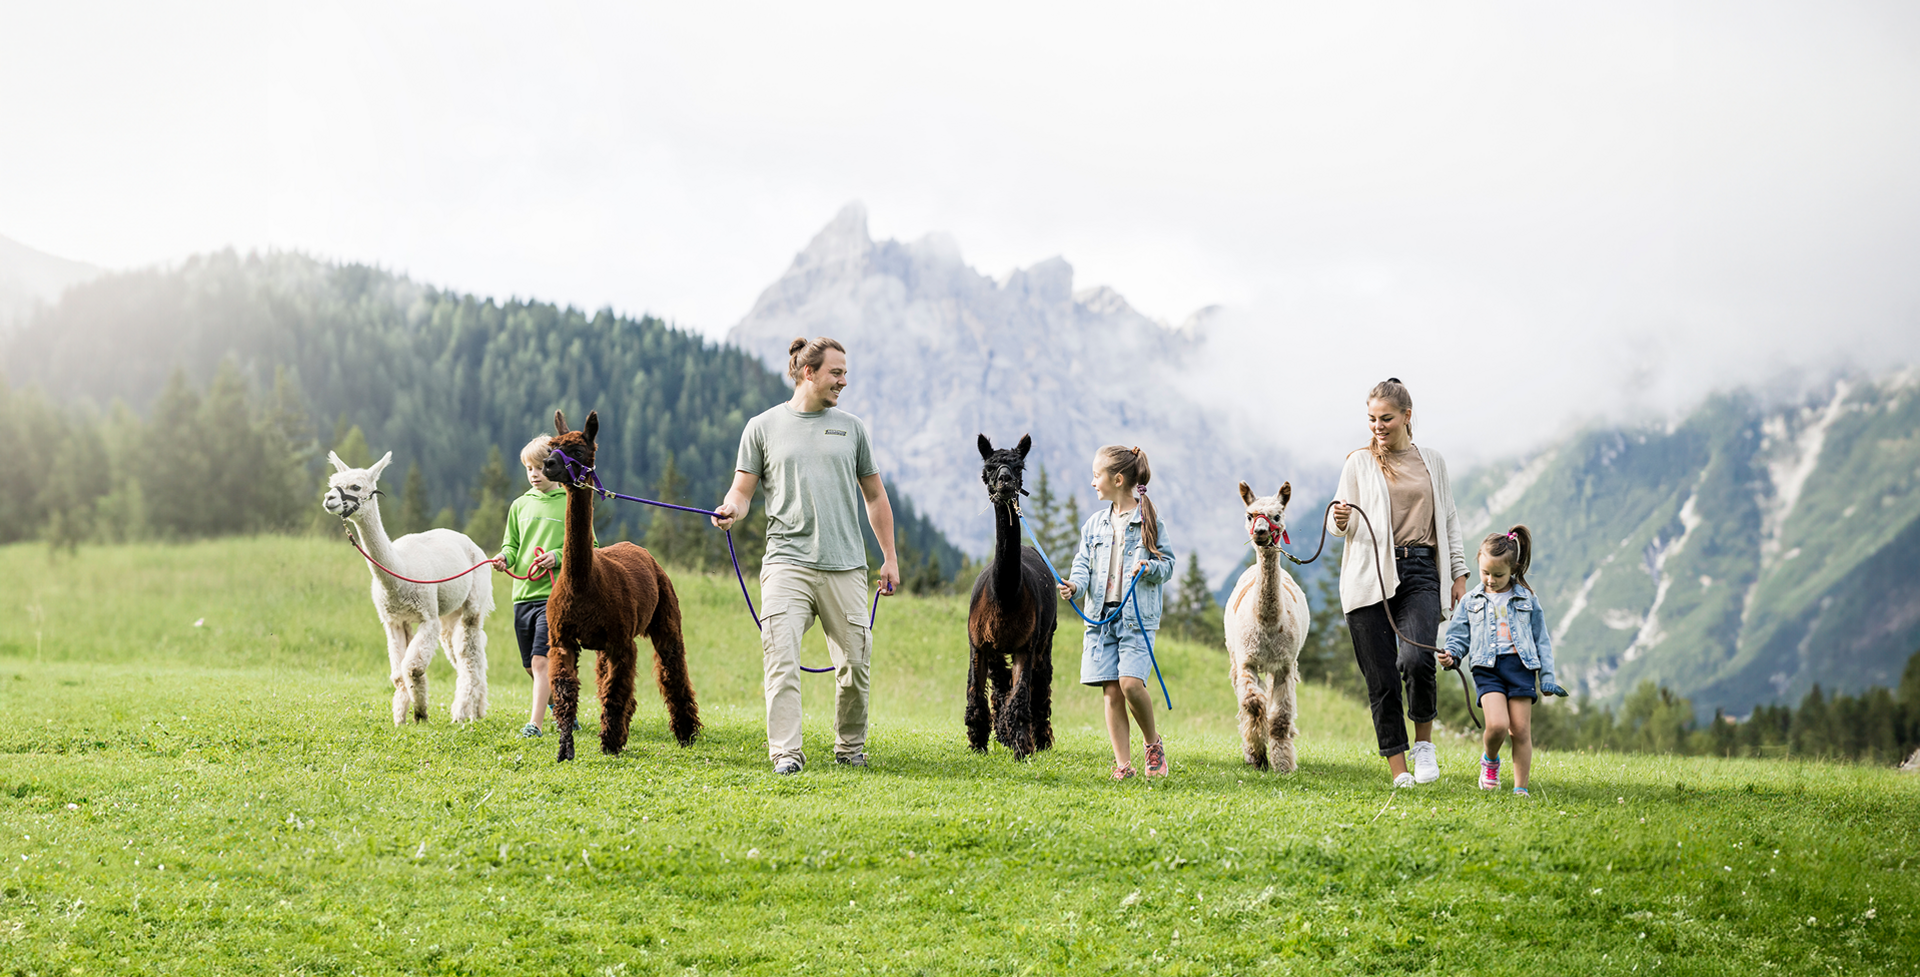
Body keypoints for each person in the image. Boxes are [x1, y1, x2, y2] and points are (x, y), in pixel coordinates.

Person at [712, 337, 900, 774]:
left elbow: (875, 497)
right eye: (836, 373)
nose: (844, 381)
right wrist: (731, 511)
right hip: (786, 563)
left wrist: (888, 557)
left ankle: (850, 749)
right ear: (808, 372)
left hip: (846, 565)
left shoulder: (851, 428)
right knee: (780, 659)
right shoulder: (761, 427)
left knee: (855, 663)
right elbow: (741, 491)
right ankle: (786, 754)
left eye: (845, 373)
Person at [1330, 378, 1468, 788]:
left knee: (1416, 659)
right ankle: (1399, 770)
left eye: (1386, 418)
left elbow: (1449, 521)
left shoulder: (1433, 462)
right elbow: (1342, 523)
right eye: (1372, 419)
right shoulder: (1358, 462)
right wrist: (1339, 521)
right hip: (1369, 575)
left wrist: (1459, 573)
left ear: (1407, 417)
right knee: (1382, 679)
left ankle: (1424, 746)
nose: (1378, 426)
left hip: (1422, 569)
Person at [1058, 446, 1176, 779]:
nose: (1093, 482)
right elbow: (1083, 565)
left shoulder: (1149, 521)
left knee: (1130, 684)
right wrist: (1075, 587)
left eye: (1097, 476)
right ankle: (1124, 765)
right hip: (1100, 618)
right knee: (1111, 691)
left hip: (1136, 620)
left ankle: (1152, 743)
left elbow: (1167, 565)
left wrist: (1150, 567)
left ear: (1118, 479)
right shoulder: (1093, 525)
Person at [1440, 526, 1569, 795]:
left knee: (1520, 730)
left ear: (1514, 569)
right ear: (1478, 564)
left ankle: (1520, 789)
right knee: (1497, 725)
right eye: (1485, 573)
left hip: (1520, 668)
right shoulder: (1470, 600)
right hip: (1487, 669)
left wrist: (1547, 677)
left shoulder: (1527, 599)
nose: (1490, 580)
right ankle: (1490, 760)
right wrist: (1451, 655)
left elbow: (1541, 640)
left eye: (1498, 574)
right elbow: (1458, 636)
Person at [490, 434, 578, 738]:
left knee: (542, 662)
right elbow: (512, 546)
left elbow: (588, 547)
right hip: (522, 597)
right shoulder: (519, 506)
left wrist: (556, 557)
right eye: (529, 468)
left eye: (540, 467)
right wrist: (504, 558)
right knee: (530, 665)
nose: (534, 474)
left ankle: (535, 725)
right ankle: (563, 707)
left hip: (554, 598)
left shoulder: (571, 502)